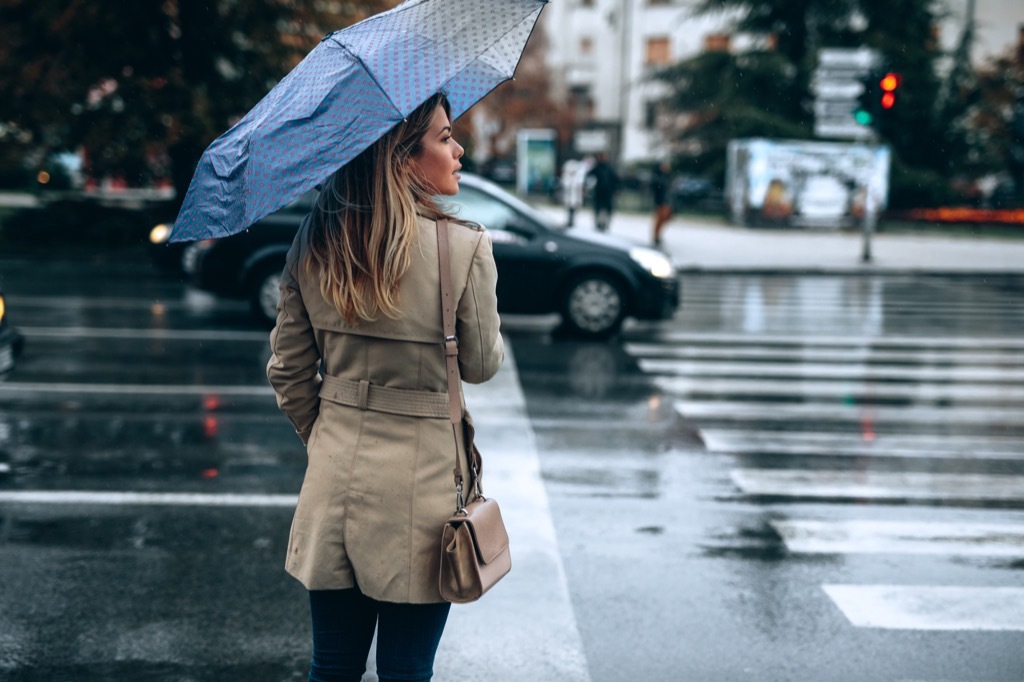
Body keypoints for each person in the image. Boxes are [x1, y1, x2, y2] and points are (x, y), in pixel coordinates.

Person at [266, 91, 504, 682]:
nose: (458, 147)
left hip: (334, 484)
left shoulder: (314, 242)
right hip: (422, 499)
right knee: (406, 671)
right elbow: (480, 365)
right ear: (402, 157)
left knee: (333, 667)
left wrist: (327, 440)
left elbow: (289, 372)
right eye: (444, 136)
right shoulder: (463, 245)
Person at [586, 151, 618, 232]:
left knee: (607, 209)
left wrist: (615, 190)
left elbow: (615, 179)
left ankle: (605, 224)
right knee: (598, 208)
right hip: (599, 192)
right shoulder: (596, 168)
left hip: (608, 192)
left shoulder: (609, 168)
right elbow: (589, 177)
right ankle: (598, 224)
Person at [650, 160, 673, 247]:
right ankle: (656, 236)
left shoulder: (665, 176)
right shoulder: (657, 177)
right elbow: (657, 189)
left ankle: (657, 235)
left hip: (666, 201)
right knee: (660, 219)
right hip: (661, 201)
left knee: (666, 218)